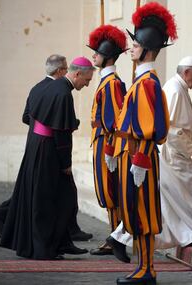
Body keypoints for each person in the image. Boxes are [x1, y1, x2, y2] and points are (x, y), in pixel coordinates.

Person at [109, 56, 192, 250]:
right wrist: (190, 147)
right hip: (172, 155)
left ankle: (120, 238)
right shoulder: (175, 89)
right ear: (186, 73)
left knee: (166, 205)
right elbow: (170, 129)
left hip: (173, 153)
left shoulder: (176, 87)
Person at [0, 54, 93, 242]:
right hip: (47, 148)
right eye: (86, 80)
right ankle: (57, 237)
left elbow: (27, 117)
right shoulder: (60, 91)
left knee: (37, 191)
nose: (87, 85)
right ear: (65, 71)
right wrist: (56, 127)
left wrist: (51, 125)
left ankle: (67, 235)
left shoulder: (39, 87)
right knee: (40, 195)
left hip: (36, 144)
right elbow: (60, 131)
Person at [112, 2, 176, 284]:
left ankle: (148, 270)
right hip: (134, 152)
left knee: (144, 213)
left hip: (142, 154)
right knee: (135, 212)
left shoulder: (147, 82)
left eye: (136, 44)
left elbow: (152, 129)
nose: (131, 49)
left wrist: (138, 159)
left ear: (147, 49)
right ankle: (142, 267)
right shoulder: (142, 81)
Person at [86, 25, 129, 257]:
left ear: (108, 57)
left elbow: (113, 122)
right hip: (101, 141)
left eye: (98, 52)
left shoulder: (111, 83)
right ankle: (114, 236)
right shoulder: (106, 81)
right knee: (107, 192)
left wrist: (110, 150)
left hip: (107, 143)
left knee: (111, 192)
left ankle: (116, 238)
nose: (94, 55)